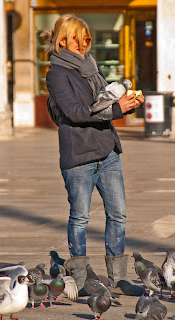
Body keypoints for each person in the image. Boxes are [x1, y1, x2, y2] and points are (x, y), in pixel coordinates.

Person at [41, 14, 145, 296]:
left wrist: (126, 104)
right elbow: (75, 112)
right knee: (80, 218)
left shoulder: (91, 69)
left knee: (118, 214)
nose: (84, 43)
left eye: (87, 38)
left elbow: (104, 104)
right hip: (80, 157)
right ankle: (80, 278)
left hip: (107, 151)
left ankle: (117, 278)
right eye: (79, 38)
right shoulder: (57, 74)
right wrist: (116, 110)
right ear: (63, 40)